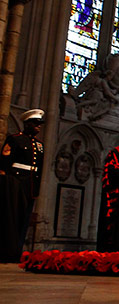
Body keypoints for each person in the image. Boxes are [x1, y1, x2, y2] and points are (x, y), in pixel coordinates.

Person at [0, 109, 45, 262]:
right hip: (15, 182)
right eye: (36, 124)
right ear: (27, 124)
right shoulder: (15, 139)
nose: (38, 127)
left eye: (40, 124)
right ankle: (7, 252)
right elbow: (5, 163)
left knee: (24, 220)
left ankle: (17, 251)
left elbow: (39, 168)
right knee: (12, 217)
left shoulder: (40, 145)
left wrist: (36, 188)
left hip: (30, 185)